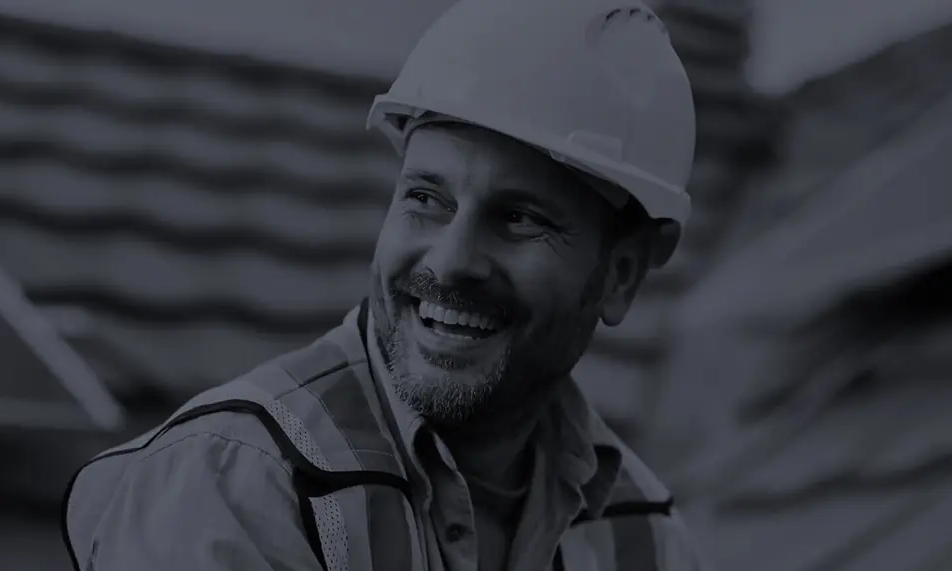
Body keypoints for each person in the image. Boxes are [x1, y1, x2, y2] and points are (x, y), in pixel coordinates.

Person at [62, 0, 705, 568]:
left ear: (622, 273)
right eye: (426, 197)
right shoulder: (232, 485)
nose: (450, 262)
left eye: (519, 219)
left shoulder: (646, 538)